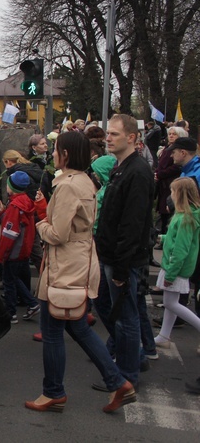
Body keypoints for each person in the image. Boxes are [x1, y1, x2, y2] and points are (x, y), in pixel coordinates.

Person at [27, 131, 136, 413]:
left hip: (64, 267)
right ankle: (117, 381)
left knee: (52, 331)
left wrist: (40, 220)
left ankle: (53, 392)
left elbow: (58, 234)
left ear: (66, 154)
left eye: (56, 150)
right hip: (79, 262)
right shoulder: (84, 181)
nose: (52, 154)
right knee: (76, 326)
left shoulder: (68, 186)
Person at [95, 115, 153, 394]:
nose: (108, 138)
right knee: (105, 307)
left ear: (131, 138)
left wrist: (120, 267)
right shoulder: (121, 168)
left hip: (122, 259)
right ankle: (133, 357)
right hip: (109, 254)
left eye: (114, 134)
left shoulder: (137, 171)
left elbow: (133, 224)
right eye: (108, 133)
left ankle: (127, 374)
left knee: (126, 317)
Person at [153, 177, 200, 349]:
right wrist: (162, 238)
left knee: (171, 303)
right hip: (177, 267)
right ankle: (164, 335)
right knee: (170, 302)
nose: (170, 195)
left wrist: (171, 274)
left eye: (172, 191)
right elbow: (178, 241)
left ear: (179, 194)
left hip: (175, 267)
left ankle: (165, 335)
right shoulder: (188, 216)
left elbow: (180, 250)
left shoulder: (185, 218)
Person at [0, 171, 40, 323]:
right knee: (14, 278)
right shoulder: (26, 201)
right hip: (23, 248)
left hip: (13, 250)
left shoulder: (14, 206)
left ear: (11, 188)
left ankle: (11, 312)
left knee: (9, 281)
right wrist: (3, 212)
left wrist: (0, 256)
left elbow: (9, 233)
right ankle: (31, 304)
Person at [155, 126, 186, 234]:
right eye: (170, 134)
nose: (171, 136)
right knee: (163, 212)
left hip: (170, 183)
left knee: (168, 211)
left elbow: (176, 167)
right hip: (162, 184)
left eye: (174, 134)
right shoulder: (167, 148)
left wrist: (160, 174)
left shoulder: (178, 150)